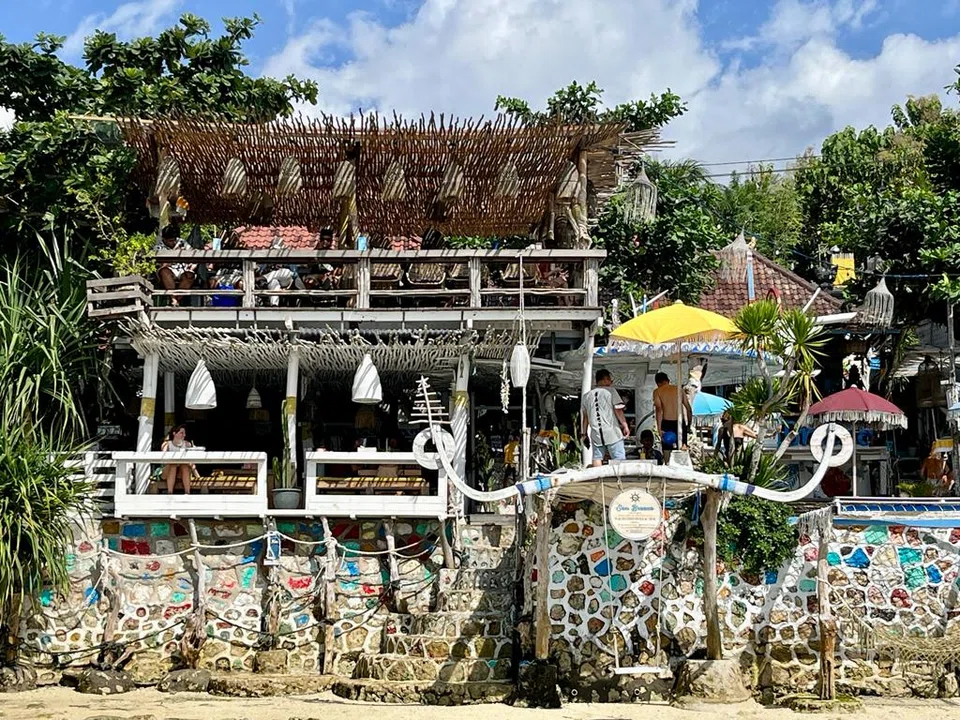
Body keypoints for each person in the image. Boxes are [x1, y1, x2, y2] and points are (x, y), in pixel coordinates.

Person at [581, 369, 630, 467]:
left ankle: (599, 480)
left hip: (596, 433)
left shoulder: (586, 396)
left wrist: (584, 433)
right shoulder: (611, 391)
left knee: (597, 457)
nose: (611, 382)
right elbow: (618, 410)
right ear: (605, 380)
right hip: (612, 432)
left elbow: (585, 417)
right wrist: (625, 426)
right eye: (609, 380)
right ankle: (619, 479)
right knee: (618, 457)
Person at [653, 371, 692, 454]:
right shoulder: (679, 390)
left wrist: (659, 429)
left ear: (658, 383)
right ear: (668, 380)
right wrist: (688, 425)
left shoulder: (657, 391)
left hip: (666, 423)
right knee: (682, 448)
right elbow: (689, 409)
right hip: (680, 422)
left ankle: (667, 463)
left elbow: (659, 410)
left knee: (667, 449)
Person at [156, 225, 195, 305]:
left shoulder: (182, 243)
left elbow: (193, 254)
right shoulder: (159, 248)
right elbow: (161, 264)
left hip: (182, 270)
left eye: (174, 240)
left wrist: (192, 266)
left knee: (190, 275)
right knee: (164, 272)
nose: (173, 242)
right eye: (170, 241)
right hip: (168, 270)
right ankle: (173, 298)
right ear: (164, 239)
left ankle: (177, 299)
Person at [160, 424, 197, 495]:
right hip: (167, 470)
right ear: (174, 433)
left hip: (181, 472)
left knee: (184, 465)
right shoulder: (166, 444)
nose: (184, 435)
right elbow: (163, 459)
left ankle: (187, 492)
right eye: (181, 433)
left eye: (184, 433)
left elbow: (191, 459)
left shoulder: (187, 444)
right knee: (173, 465)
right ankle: (170, 493)